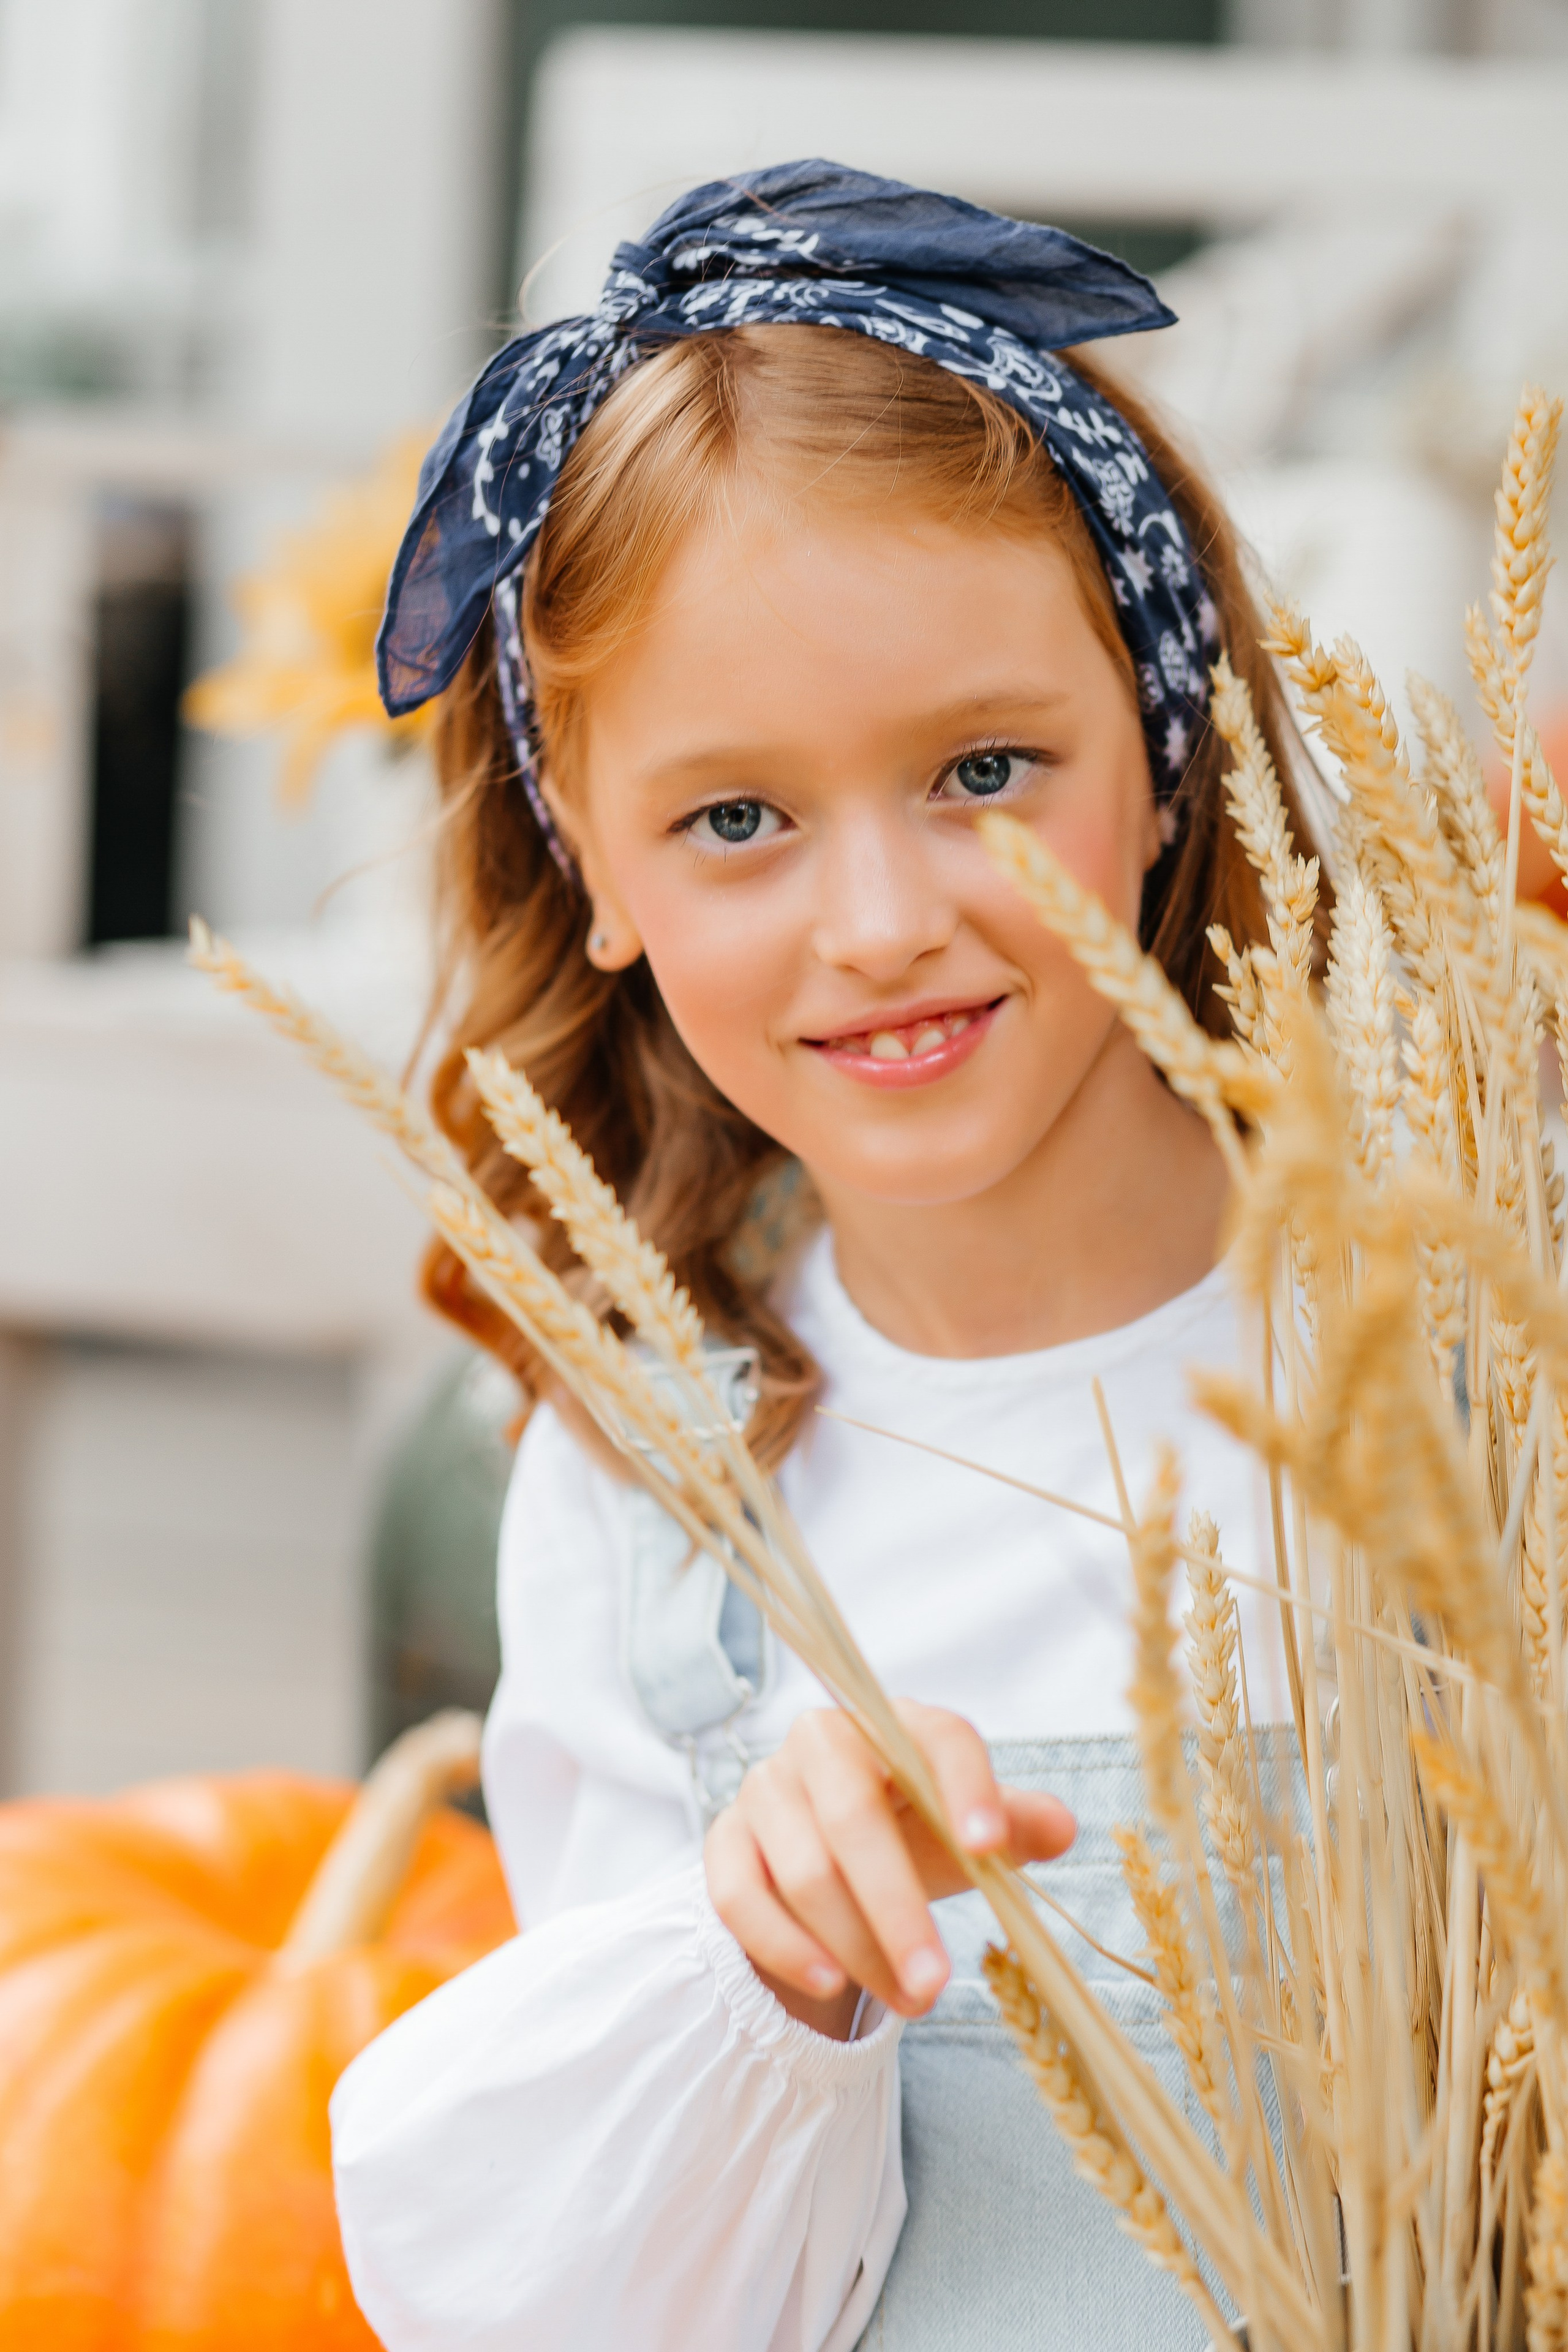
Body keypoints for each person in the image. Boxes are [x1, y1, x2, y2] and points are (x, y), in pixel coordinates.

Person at [330, 160, 1317, 2351]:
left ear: (1161, 756)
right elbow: (600, 2307)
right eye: (737, 820)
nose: (878, 923)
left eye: (983, 766)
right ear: (593, 866)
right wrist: (753, 1972)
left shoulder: (1453, 1392)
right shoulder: (651, 1503)